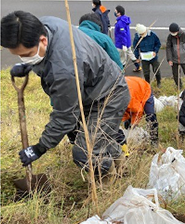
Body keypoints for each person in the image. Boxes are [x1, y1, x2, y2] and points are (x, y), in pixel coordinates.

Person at [1, 11, 130, 176]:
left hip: (110, 95)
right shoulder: (45, 24)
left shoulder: (64, 70)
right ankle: (121, 168)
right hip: (92, 86)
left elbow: (65, 115)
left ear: (42, 40)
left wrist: (40, 148)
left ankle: (108, 182)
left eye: (26, 55)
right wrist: (29, 64)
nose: (23, 58)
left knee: (85, 153)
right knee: (96, 138)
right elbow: (46, 55)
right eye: (20, 55)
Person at [122, 76, 159, 145]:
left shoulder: (129, 97)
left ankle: (154, 139)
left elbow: (138, 111)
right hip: (134, 87)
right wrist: (126, 119)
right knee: (127, 122)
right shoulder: (113, 94)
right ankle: (130, 134)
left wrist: (134, 123)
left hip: (144, 89)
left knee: (150, 116)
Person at [166, 23, 185, 89]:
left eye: (174, 32)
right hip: (174, 60)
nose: (172, 33)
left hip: (184, 59)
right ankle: (179, 86)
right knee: (176, 75)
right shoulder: (170, 37)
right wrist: (169, 59)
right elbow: (168, 48)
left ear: (177, 30)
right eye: (171, 32)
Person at [113, 5, 141, 71]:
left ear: (119, 13)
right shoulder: (125, 19)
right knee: (131, 55)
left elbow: (123, 34)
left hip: (121, 43)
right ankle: (137, 66)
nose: (114, 12)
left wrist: (124, 44)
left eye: (115, 11)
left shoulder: (120, 23)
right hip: (127, 42)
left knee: (122, 58)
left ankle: (122, 70)